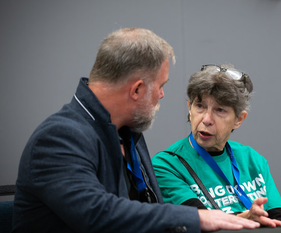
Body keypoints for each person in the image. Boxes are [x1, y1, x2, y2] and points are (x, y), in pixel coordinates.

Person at [12, 29, 260, 233]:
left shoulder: (128, 132)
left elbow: (147, 210)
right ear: (137, 90)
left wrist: (230, 220)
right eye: (160, 86)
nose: (162, 95)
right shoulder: (58, 138)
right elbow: (97, 214)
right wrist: (199, 218)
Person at [152, 64, 281, 228]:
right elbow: (202, 222)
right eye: (200, 106)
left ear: (239, 119)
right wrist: (246, 217)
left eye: (220, 110)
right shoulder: (166, 165)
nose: (206, 119)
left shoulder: (252, 159)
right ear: (189, 108)